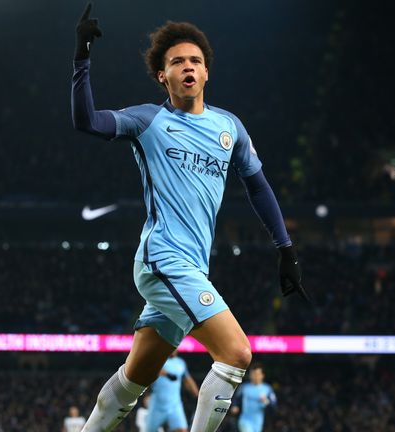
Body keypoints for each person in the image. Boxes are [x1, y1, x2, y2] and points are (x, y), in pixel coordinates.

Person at [71, 3, 307, 431]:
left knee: (135, 377)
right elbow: (87, 122)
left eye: (195, 61)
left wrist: (285, 249)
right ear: (162, 75)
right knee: (237, 353)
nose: (188, 67)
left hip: (193, 267)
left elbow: (258, 186)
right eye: (177, 61)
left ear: (206, 72)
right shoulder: (148, 120)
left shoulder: (229, 128)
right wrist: (82, 57)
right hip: (163, 258)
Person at [147, 352, 199, 432]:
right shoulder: (158, 361)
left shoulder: (181, 363)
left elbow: (187, 380)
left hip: (174, 405)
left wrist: (197, 395)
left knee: (182, 430)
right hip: (156, 406)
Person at [231, 364, 277, 432]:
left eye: (257, 374)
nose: (255, 376)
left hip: (259, 422)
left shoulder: (267, 389)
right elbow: (236, 398)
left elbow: (274, 405)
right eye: (253, 374)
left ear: (262, 375)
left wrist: (267, 402)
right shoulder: (244, 387)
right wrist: (235, 406)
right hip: (245, 420)